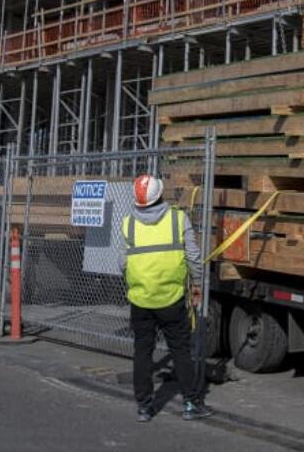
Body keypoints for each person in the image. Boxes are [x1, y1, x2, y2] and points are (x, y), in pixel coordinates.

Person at [117, 173, 212, 422]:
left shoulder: (128, 223)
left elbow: (122, 262)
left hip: (140, 300)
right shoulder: (178, 219)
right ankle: (191, 404)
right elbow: (193, 256)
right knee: (181, 351)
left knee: (143, 352)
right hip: (171, 298)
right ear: (160, 195)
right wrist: (198, 283)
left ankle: (144, 407)